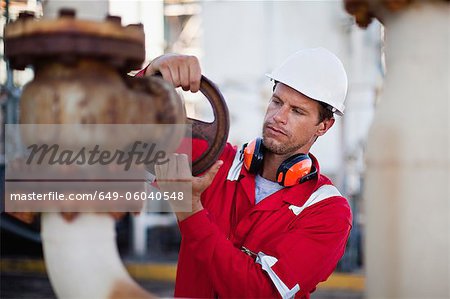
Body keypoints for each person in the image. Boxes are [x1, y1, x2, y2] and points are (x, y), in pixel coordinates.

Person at [139, 48, 352, 299]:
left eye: (297, 111)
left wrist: (190, 211)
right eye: (277, 101)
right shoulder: (217, 162)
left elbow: (260, 292)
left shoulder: (328, 212)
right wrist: (152, 76)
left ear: (323, 126)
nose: (278, 117)